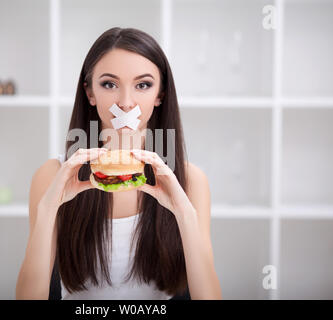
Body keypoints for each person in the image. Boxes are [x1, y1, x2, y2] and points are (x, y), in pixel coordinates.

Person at [16, 27, 222, 300]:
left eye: (143, 85)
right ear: (90, 93)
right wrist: (48, 210)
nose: (126, 103)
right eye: (109, 84)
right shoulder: (53, 176)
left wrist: (183, 214)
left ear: (160, 95)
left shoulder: (190, 180)